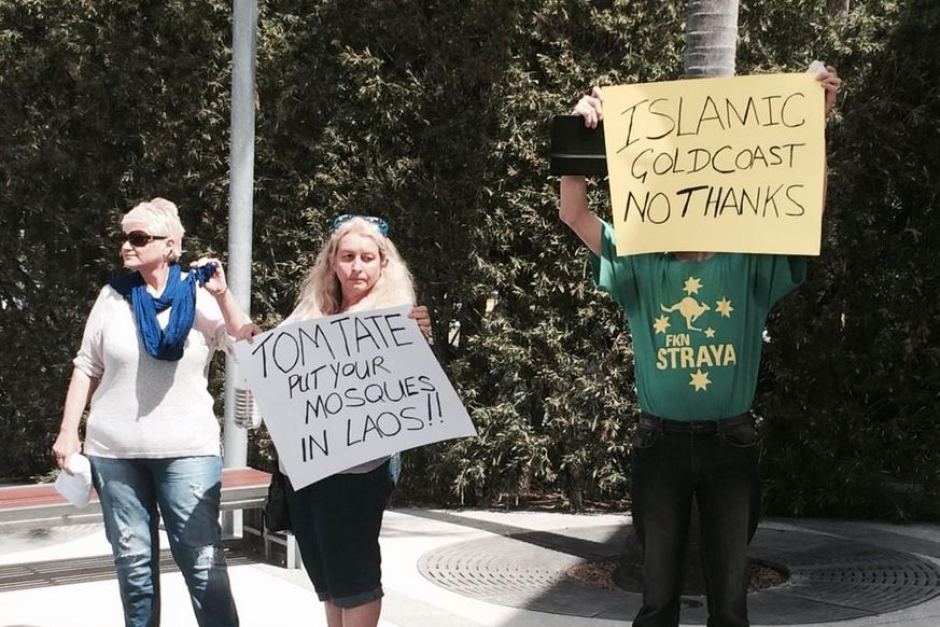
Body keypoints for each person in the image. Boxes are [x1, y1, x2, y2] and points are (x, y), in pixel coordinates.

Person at [559, 67, 842, 627]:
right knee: (657, 597)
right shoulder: (639, 262)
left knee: (730, 606)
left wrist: (813, 123)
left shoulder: (750, 259)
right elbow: (574, 213)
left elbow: (803, 213)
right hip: (658, 444)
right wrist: (580, 132)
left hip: (730, 445)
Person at [52, 198, 258, 627]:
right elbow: (86, 365)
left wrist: (223, 294)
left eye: (139, 238)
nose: (127, 246)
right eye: (125, 237)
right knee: (133, 568)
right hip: (115, 452)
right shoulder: (113, 296)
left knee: (203, 565)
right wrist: (69, 431)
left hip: (188, 453)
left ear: (169, 246)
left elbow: (244, 342)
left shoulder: (199, 293)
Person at [281, 214, 430, 627]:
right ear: (332, 262)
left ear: (383, 264)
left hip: (359, 468)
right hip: (307, 468)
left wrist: (419, 339)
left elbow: (411, 388)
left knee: (356, 574)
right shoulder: (308, 312)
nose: (357, 267)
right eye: (348, 257)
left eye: (367, 257)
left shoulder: (398, 319)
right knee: (329, 575)